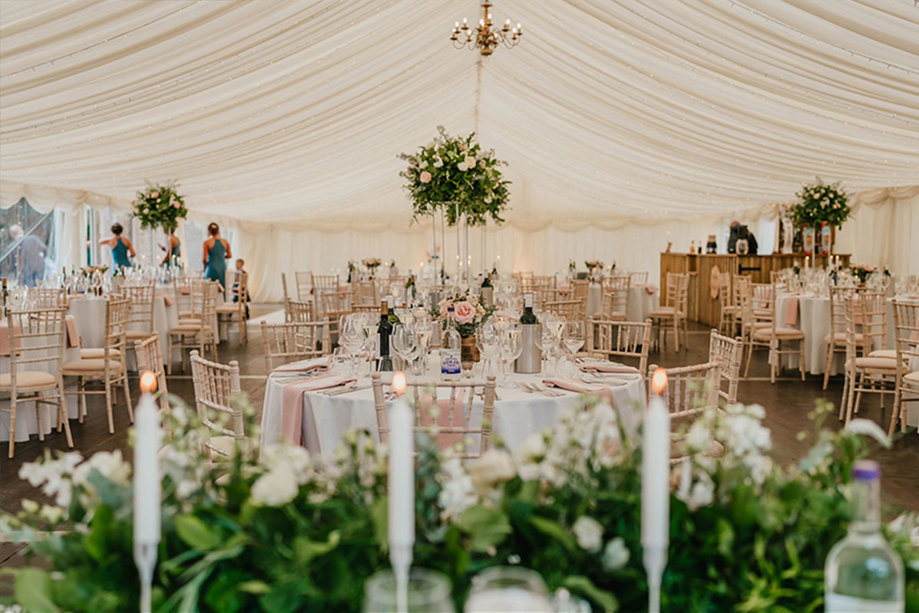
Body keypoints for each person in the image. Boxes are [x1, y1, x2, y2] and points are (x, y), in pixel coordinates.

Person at [203, 222, 231, 295]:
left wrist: (204, 267)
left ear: (209, 231)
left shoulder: (207, 243)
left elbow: (204, 259)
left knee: (210, 287)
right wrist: (221, 256)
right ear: (218, 231)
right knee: (222, 287)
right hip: (222, 266)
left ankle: (210, 304)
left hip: (211, 267)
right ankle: (222, 304)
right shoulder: (225, 242)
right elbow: (229, 255)